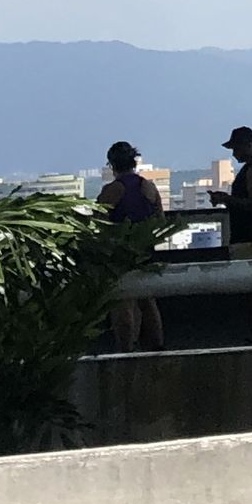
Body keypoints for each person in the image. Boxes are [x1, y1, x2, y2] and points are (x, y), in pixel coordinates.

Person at [103, 140, 166, 351]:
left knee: (123, 303)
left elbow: (96, 221)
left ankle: (125, 348)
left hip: (120, 253)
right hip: (146, 251)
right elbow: (160, 219)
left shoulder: (112, 190)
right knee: (148, 300)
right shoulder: (148, 187)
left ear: (112, 165)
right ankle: (157, 345)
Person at [211, 127, 252, 260]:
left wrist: (226, 199)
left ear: (249, 145)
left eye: (236, 148)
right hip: (248, 238)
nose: (234, 153)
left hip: (250, 239)